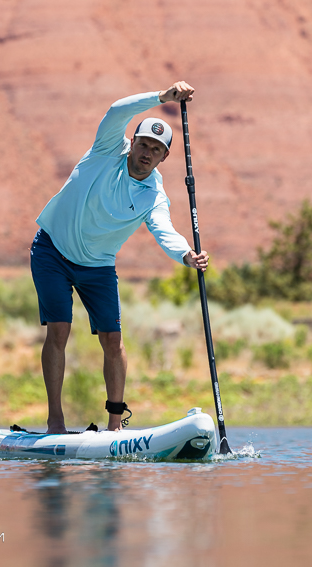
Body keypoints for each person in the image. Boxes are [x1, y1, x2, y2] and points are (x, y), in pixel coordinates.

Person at [30, 81, 209, 433]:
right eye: (143, 143)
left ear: (163, 158)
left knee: (113, 341)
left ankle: (115, 426)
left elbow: (164, 230)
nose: (147, 152)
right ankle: (55, 420)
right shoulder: (107, 148)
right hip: (52, 250)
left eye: (156, 149)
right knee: (60, 331)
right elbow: (117, 111)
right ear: (133, 142)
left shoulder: (153, 195)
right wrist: (162, 97)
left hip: (97, 266)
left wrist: (187, 254)